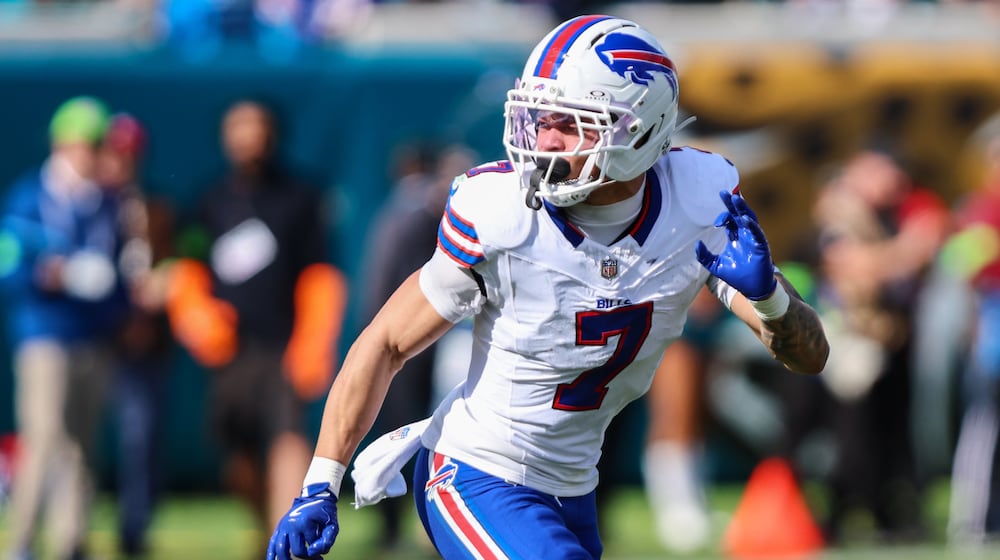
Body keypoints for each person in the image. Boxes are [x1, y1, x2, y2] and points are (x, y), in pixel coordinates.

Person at [266, 15, 829, 560]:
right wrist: (320, 481)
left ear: (639, 129)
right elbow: (386, 342)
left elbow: (809, 357)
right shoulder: (500, 212)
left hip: (573, 490)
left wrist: (771, 300)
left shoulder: (698, 203)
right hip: (478, 477)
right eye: (539, 116)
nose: (544, 137)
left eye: (571, 121)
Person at [165, 99, 348, 543]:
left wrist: (314, 342)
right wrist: (198, 320)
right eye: (238, 127)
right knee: (238, 456)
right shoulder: (210, 201)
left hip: (284, 344)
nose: (249, 136)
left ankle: (290, 537)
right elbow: (187, 272)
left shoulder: (301, 197)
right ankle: (265, 528)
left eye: (257, 126)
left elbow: (321, 275)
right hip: (230, 351)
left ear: (274, 133)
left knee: (287, 436)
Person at [0, 96, 128, 560]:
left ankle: (71, 539)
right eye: (88, 144)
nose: (95, 154)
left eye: (100, 144)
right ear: (63, 144)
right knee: (44, 435)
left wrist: (115, 292)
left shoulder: (108, 202)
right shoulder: (28, 197)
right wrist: (52, 274)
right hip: (45, 335)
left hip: (92, 336)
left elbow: (117, 273)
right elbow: (8, 267)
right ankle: (22, 540)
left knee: (82, 446)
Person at [811, 141, 950, 542]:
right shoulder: (841, 208)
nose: (893, 181)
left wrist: (900, 253)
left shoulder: (898, 209)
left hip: (893, 341)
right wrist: (902, 253)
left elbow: (929, 240)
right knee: (849, 437)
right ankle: (840, 514)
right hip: (849, 342)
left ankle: (892, 513)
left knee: (894, 437)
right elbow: (855, 266)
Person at [360, 141, 477, 550]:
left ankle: (425, 520)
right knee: (397, 428)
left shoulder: (424, 212)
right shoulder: (408, 209)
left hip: (423, 337)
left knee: (428, 429)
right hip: (401, 335)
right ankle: (394, 522)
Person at [96, 112, 177, 558]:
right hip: (95, 338)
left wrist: (167, 281)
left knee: (140, 438)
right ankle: (74, 528)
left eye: (128, 154)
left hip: (144, 346)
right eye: (114, 152)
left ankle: (134, 527)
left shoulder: (155, 208)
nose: (120, 162)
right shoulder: (90, 207)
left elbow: (182, 258)